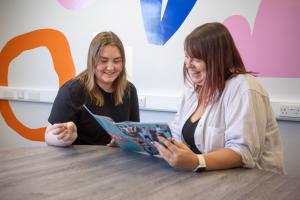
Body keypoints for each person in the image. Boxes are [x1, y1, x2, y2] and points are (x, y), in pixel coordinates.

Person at [154, 22, 285, 174]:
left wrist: (197, 161)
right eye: (187, 57)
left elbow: (243, 152)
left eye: (196, 59)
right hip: (211, 180)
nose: (188, 65)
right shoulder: (192, 91)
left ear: (218, 59)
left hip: (254, 184)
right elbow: (176, 134)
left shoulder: (244, 88)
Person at [45, 31, 140, 146]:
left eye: (117, 61)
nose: (110, 68)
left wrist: (126, 141)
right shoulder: (72, 90)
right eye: (103, 61)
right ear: (92, 61)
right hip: (81, 162)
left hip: (117, 161)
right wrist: (68, 138)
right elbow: (48, 137)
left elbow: (135, 135)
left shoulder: (129, 90)